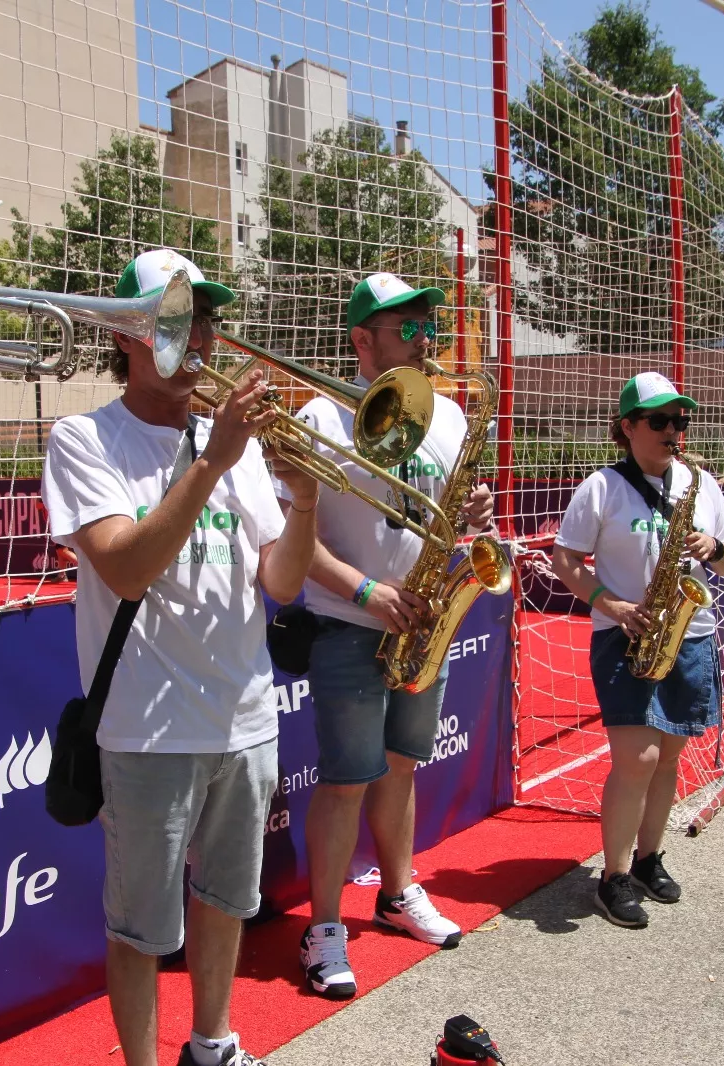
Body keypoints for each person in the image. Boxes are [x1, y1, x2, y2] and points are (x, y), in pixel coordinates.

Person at [42, 249, 319, 1066]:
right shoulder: (83, 437)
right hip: (144, 730)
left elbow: (282, 580)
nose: (198, 333)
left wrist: (303, 498)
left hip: (245, 717)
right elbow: (125, 565)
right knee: (140, 927)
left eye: (204, 316)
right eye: (175, 316)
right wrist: (213, 462)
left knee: (227, 901)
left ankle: (212, 1042)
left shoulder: (224, 442)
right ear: (127, 334)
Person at [291, 273, 494, 999]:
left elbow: (459, 524)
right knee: (346, 781)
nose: (423, 335)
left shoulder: (450, 415)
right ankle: (323, 928)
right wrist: (367, 590)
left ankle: (398, 891)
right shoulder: (319, 412)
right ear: (361, 340)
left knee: (403, 765)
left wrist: (474, 509)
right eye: (405, 326)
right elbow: (290, 541)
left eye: (424, 323)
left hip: (426, 618)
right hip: (351, 622)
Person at [550, 372, 724, 929]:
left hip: (691, 632)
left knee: (670, 759)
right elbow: (566, 562)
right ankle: (612, 877)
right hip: (627, 634)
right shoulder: (602, 487)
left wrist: (712, 547)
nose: (672, 430)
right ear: (628, 427)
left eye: (679, 421)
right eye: (658, 421)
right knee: (639, 759)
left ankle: (648, 857)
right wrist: (611, 606)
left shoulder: (699, 482)